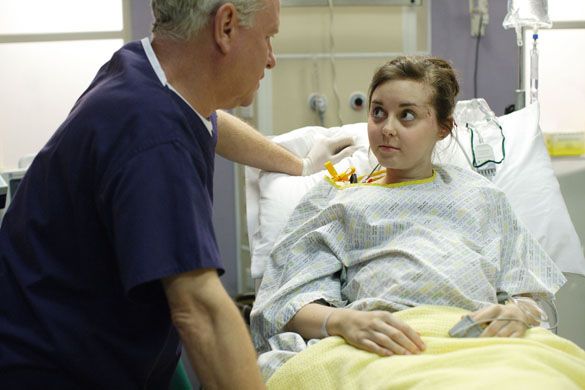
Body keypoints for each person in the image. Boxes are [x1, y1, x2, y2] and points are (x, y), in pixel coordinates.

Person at [0, 0, 356, 389]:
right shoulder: (154, 139)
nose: (271, 59)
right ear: (225, 26)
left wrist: (299, 165)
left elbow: (210, 122)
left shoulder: (143, 71)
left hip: (85, 333)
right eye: (268, 37)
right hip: (52, 368)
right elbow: (200, 311)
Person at [250, 56, 566, 378]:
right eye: (378, 112)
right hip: (377, 347)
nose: (387, 128)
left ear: (443, 128)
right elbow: (282, 306)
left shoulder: (482, 197)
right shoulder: (337, 199)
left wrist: (518, 313)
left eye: (407, 115)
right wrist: (341, 321)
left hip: (477, 343)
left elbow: (533, 293)